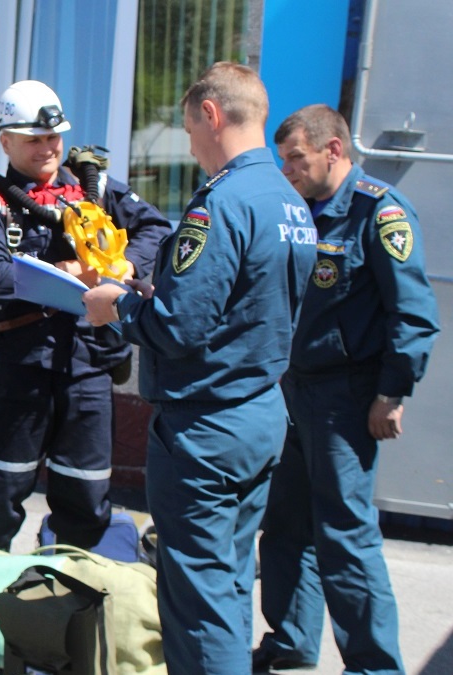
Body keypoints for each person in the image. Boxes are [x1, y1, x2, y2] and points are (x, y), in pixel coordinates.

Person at [82, 62, 316, 674]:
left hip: (207, 426)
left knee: (197, 602)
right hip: (261, 412)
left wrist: (119, 307)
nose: (189, 144)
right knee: (231, 583)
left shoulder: (223, 202)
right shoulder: (289, 199)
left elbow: (179, 327)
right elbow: (250, 302)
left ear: (212, 115)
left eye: (188, 130)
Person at [252, 104, 439, 674]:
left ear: (333, 150)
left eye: (296, 159)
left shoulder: (378, 213)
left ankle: (374, 665)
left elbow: (413, 312)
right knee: (284, 528)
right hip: (291, 391)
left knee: (345, 537)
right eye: (282, 160)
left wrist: (392, 392)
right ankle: (289, 644)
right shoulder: (297, 212)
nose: (288, 171)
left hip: (346, 399)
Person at [0, 80, 170, 553]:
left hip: (90, 366)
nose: (47, 148)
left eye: (53, 138)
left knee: (85, 493)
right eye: (33, 139)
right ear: (6, 142)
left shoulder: (92, 191)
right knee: (2, 493)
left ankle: (65, 606)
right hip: (23, 366)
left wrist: (121, 268)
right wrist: (73, 271)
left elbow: (154, 228)